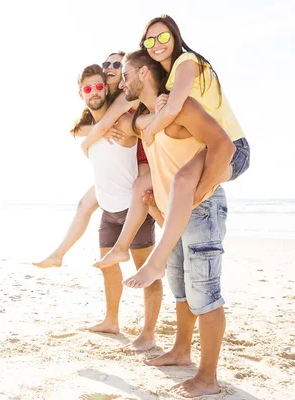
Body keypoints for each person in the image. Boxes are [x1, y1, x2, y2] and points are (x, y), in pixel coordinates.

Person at [94, 15, 250, 292]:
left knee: (184, 183)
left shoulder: (186, 62)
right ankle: (121, 247)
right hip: (207, 146)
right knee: (144, 183)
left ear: (176, 37)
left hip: (232, 147)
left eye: (163, 37)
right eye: (150, 40)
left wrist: (151, 129)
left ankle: (156, 261)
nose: (157, 44)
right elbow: (151, 110)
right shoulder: (166, 80)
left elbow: (175, 107)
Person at [118, 49, 235, 398]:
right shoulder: (149, 118)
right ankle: (182, 350)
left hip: (200, 208)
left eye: (126, 74)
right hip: (173, 213)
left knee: (206, 294)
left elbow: (224, 146)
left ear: (143, 74)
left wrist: (199, 193)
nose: (122, 81)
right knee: (181, 289)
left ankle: (208, 377)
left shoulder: (182, 107)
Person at [59, 63, 162, 352]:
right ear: (81, 94)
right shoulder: (87, 128)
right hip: (108, 211)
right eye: (88, 88)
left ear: (107, 88)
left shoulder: (124, 123)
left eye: (98, 86)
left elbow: (139, 125)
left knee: (146, 272)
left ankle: (148, 333)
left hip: (134, 210)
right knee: (109, 269)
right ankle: (111, 320)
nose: (94, 92)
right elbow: (77, 130)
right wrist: (92, 135)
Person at [33, 52, 151, 270]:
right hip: (119, 164)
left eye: (117, 64)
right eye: (107, 63)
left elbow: (113, 125)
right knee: (83, 205)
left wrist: (87, 144)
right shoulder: (102, 101)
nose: (110, 67)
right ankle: (59, 254)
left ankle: (156, 244)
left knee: (142, 194)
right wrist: (97, 132)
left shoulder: (127, 93)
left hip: (143, 152)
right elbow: (79, 129)